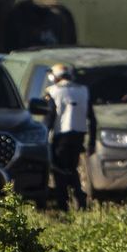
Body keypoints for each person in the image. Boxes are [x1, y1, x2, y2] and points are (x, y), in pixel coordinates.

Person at [42, 63, 96, 210]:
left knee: (59, 172)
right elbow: (92, 119)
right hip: (78, 137)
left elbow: (49, 118)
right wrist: (91, 142)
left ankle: (63, 205)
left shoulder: (53, 91)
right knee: (73, 169)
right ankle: (81, 202)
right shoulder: (83, 90)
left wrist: (42, 138)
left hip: (61, 138)